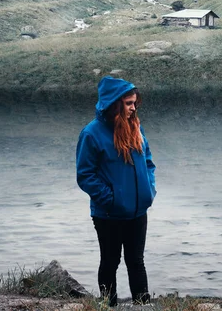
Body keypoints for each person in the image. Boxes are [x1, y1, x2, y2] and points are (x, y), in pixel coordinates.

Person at [76, 76, 156, 307]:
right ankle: (107, 306)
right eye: (129, 103)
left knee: (136, 262)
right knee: (110, 262)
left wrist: (149, 190)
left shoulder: (135, 128)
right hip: (109, 214)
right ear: (115, 104)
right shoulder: (91, 134)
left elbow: (149, 162)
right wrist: (111, 200)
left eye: (135, 103)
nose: (134, 107)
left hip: (138, 210)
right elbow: (85, 175)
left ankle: (142, 306)